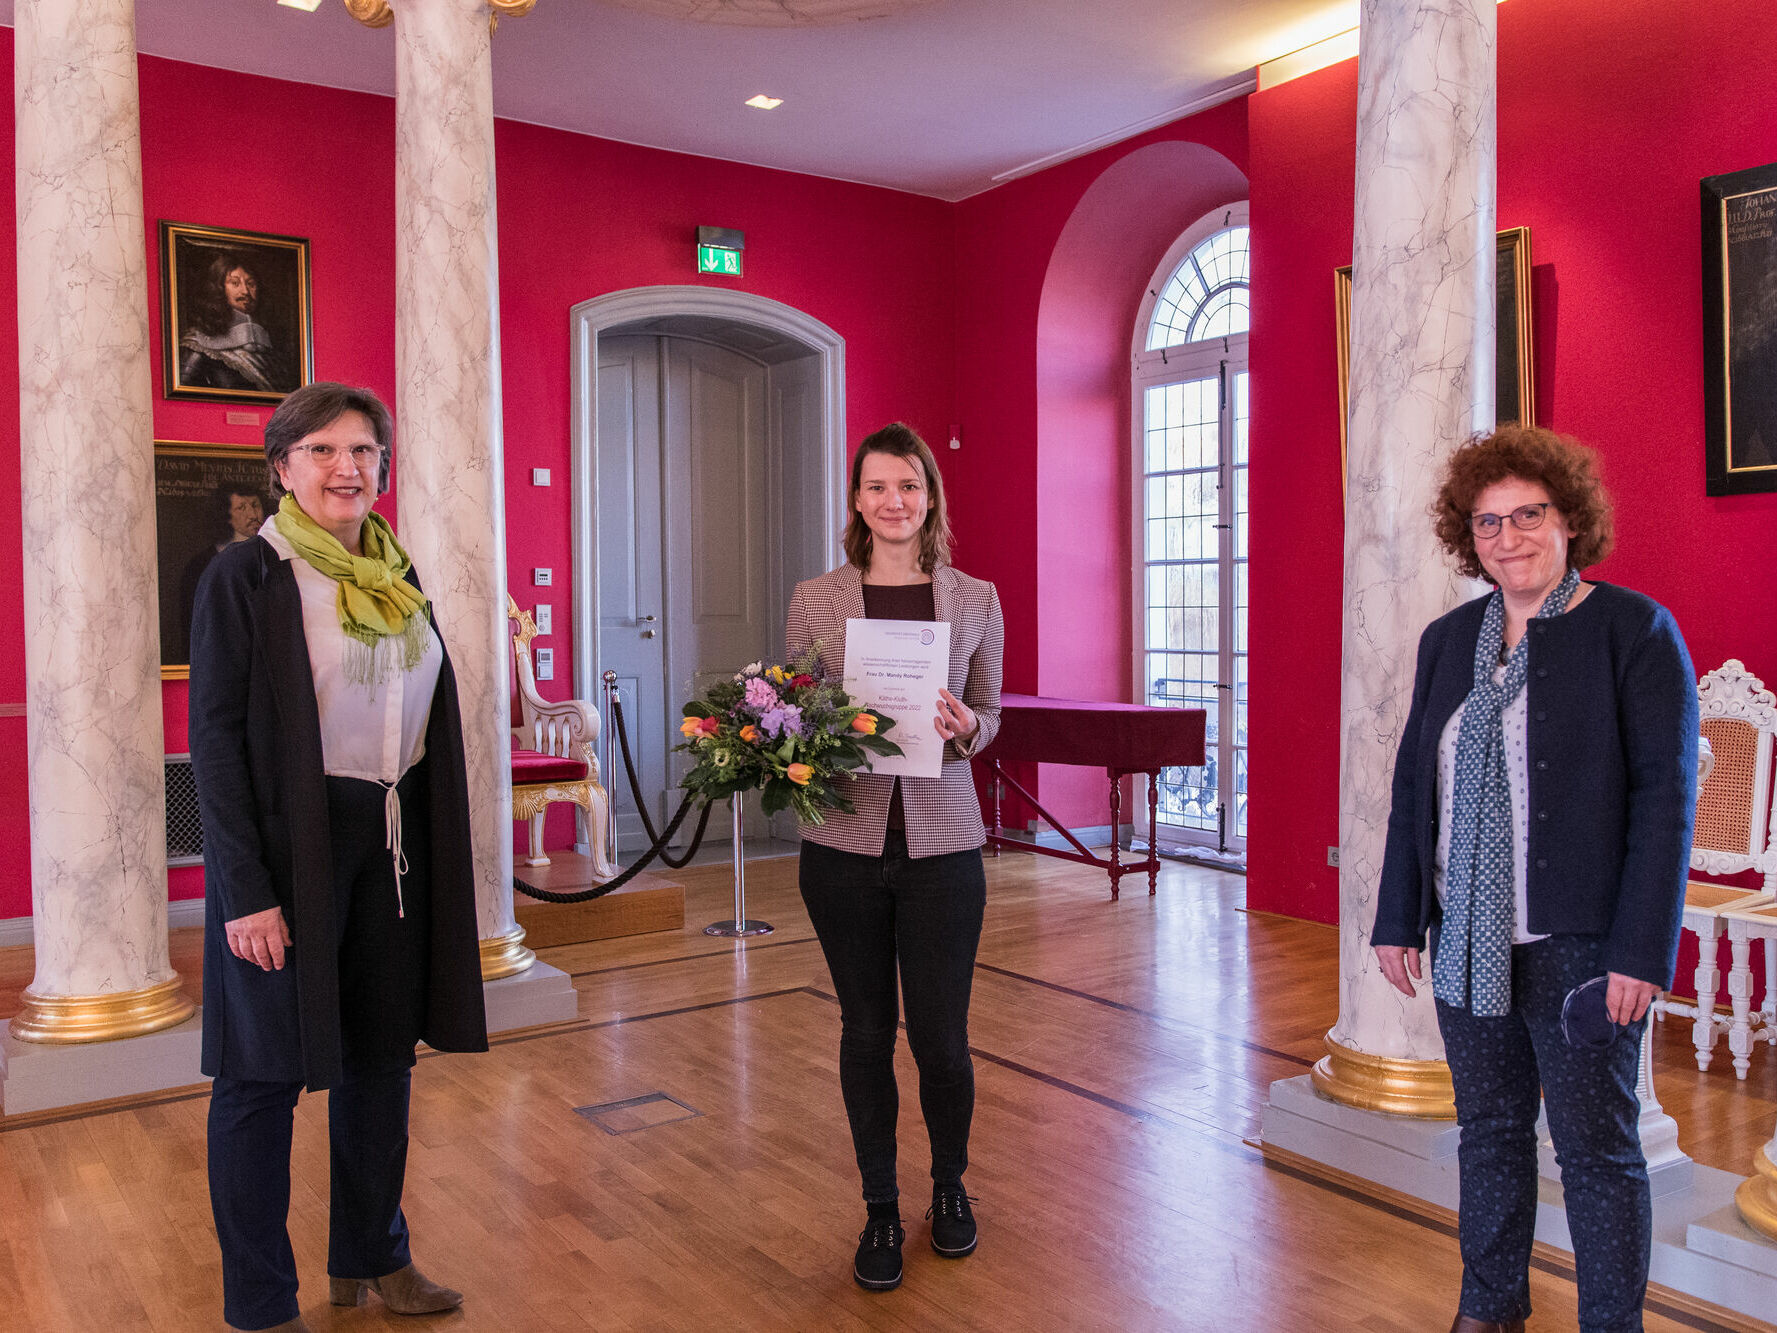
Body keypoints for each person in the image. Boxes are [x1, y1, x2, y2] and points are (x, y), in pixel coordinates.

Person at [1371, 425, 1698, 1333]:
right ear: (1464, 536)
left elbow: (1664, 802)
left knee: (1596, 1150)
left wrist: (1640, 951)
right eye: (1486, 523)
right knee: (1488, 1134)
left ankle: (1609, 1324)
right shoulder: (1447, 642)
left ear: (1568, 521)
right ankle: (1488, 1309)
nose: (1507, 537)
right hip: (1468, 941)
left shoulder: (1631, 631)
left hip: (1584, 947)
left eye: (1527, 515)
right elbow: (1413, 787)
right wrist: (1398, 917)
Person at [189, 382, 488, 1332]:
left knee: (380, 1063)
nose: (343, 467)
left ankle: (372, 1257)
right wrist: (244, 891)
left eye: (361, 451)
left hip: (390, 844)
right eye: (319, 450)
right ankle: (261, 1300)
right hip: (287, 854)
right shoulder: (249, 574)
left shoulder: (399, 577)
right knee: (261, 1077)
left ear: (381, 468)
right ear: (281, 466)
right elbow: (218, 743)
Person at [786, 422, 1004, 1292]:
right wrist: (808, 731)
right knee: (865, 1032)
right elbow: (790, 709)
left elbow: (991, 712)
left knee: (942, 1040)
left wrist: (967, 728)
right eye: (877, 487)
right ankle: (879, 1204)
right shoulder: (815, 597)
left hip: (945, 844)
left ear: (929, 497)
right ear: (856, 500)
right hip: (841, 843)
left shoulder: (977, 596)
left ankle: (947, 1186)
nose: (893, 502)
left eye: (908, 486)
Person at [174, 484, 265, 664]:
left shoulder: (273, 558)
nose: (253, 515)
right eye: (241, 508)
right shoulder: (200, 566)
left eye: (255, 505)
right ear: (226, 515)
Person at [180, 252, 288, 393]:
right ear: (219, 288)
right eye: (235, 283)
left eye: (251, 284)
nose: (245, 292)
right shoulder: (198, 346)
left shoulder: (270, 349)